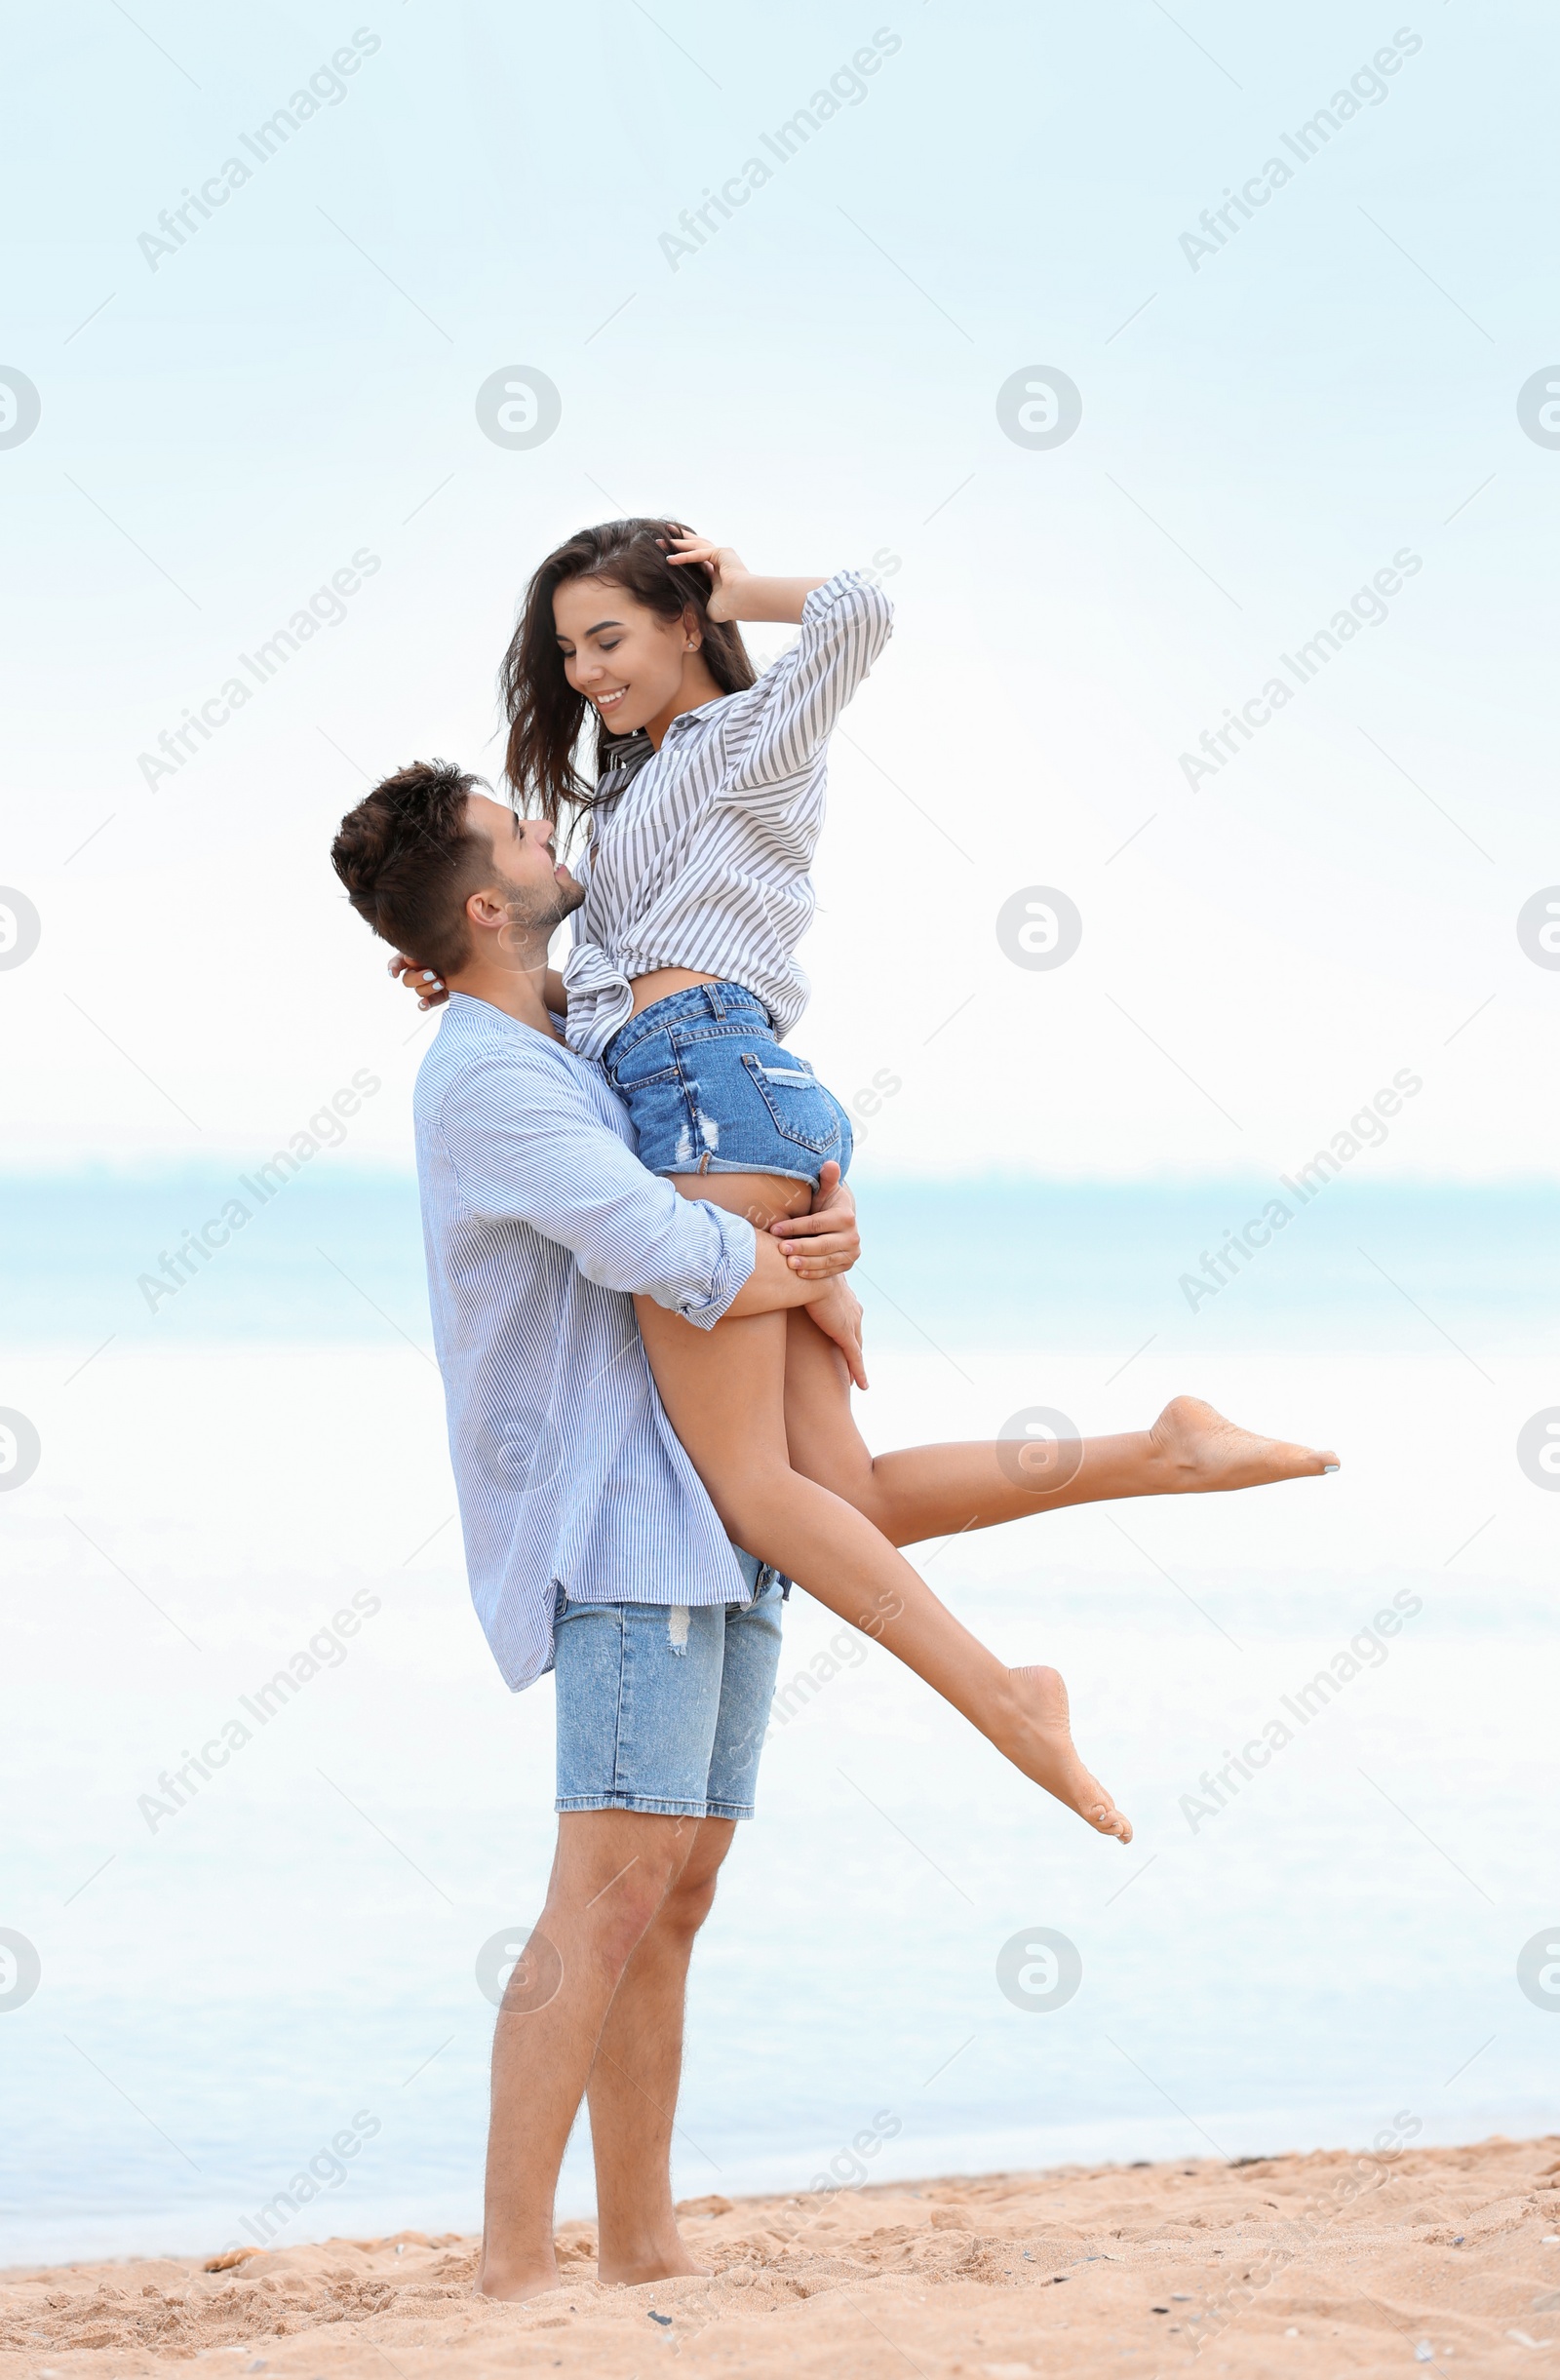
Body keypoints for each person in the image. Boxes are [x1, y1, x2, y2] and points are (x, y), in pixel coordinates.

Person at [332, 764, 1339, 2297]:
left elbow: (707, 1218)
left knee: (672, 1898)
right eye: (524, 830)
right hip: (615, 1531)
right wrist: (810, 1263)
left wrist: (824, 1239)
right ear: (485, 902)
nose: (554, 835)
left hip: (700, 1518)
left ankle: (644, 2243)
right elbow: (666, 1242)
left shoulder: (564, 1043)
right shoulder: (489, 1076)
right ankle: (513, 2267)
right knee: (600, 1897)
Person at [393, 521, 1338, 1844]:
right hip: (735, 1099)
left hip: (709, 1094)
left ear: (681, 621)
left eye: (611, 636)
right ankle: (1161, 1449)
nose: (587, 670)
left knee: (751, 1492)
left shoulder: (741, 739)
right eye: (567, 649)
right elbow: (589, 983)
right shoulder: (639, 786)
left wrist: (733, 585)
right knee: (846, 1496)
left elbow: (858, 613)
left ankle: (1007, 1697)